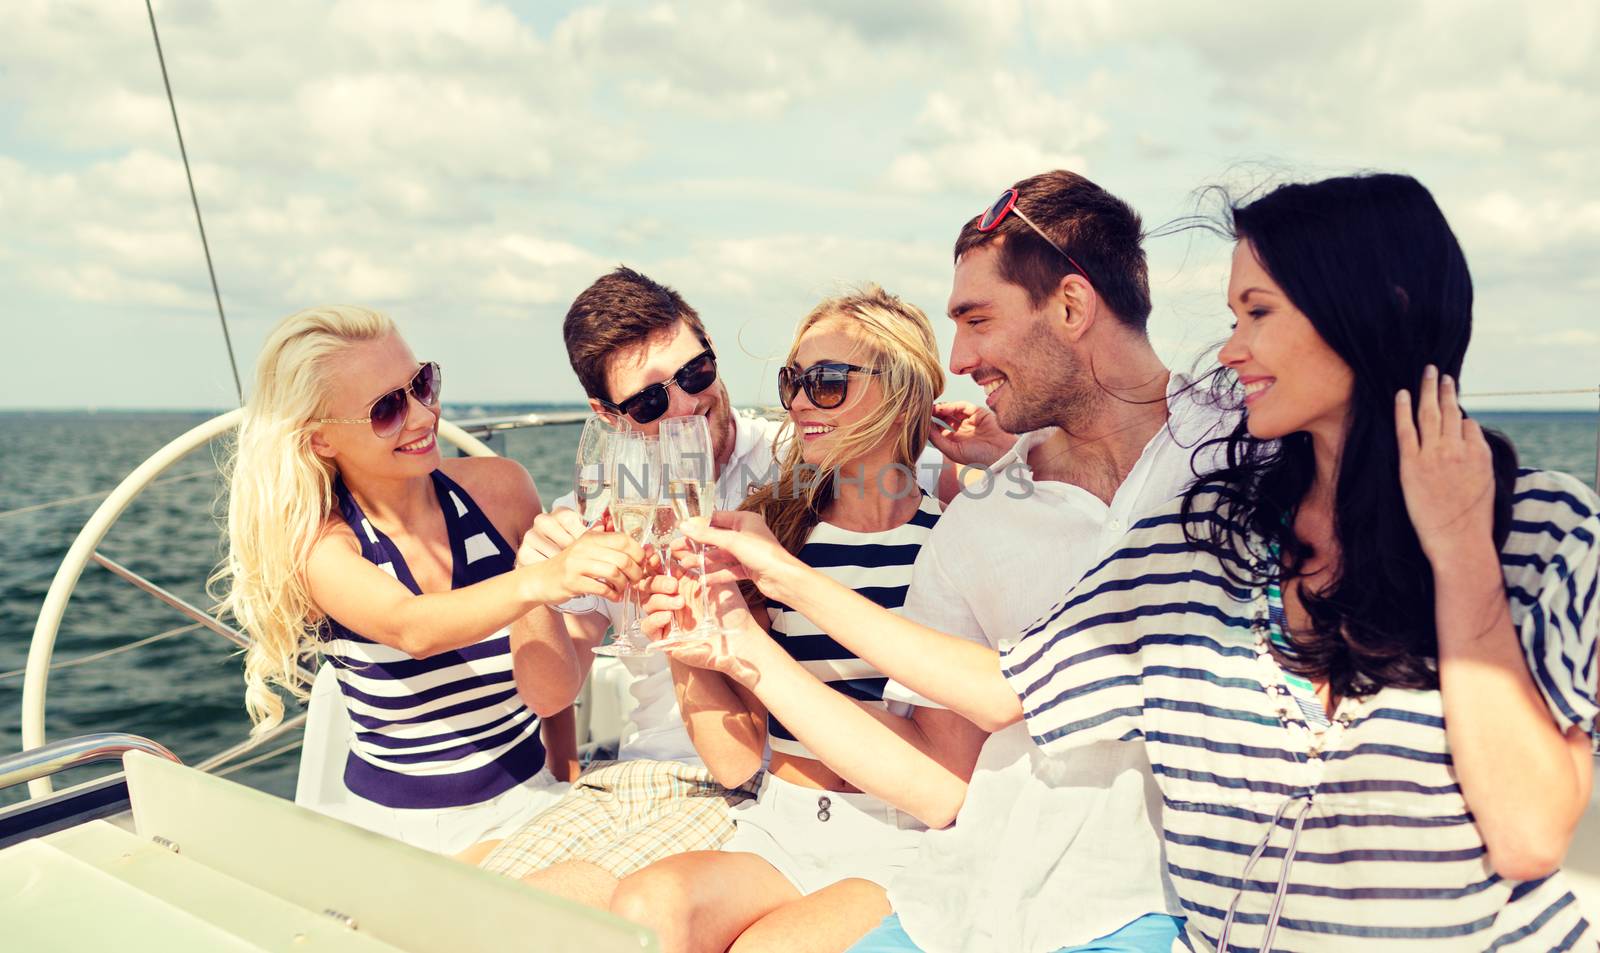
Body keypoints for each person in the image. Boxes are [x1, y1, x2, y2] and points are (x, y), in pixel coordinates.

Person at [1001, 174, 1600, 949]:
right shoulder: (1213, 533)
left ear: (1380, 308)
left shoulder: (1546, 531)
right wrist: (788, 579)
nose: (1231, 347)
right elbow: (1003, 688)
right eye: (1232, 316)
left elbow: (1527, 836)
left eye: (1259, 311)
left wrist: (1460, 554)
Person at [666, 171, 1216, 952]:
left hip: (1149, 899)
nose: (959, 359)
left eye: (977, 319)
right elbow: (937, 769)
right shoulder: (978, 524)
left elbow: (1007, 692)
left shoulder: (1231, 458)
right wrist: (732, 644)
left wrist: (784, 588)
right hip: (965, 899)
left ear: (1071, 305)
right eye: (796, 383)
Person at [477, 269, 951, 905]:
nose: (685, 406)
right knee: (482, 902)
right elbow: (550, 692)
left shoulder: (800, 460)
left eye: (695, 374)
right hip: (637, 771)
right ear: (606, 415)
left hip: (738, 784)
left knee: (557, 911)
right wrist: (531, 586)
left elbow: (905, 476)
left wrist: (976, 458)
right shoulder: (602, 507)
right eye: (649, 403)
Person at [213, 305, 645, 856]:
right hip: (402, 835)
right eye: (387, 408)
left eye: (421, 384)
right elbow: (412, 627)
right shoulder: (321, 545)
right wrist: (542, 577)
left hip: (533, 799)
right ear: (320, 439)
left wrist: (563, 768)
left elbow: (546, 673)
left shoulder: (502, 489)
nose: (422, 415)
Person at [611, 284, 967, 953]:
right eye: (792, 381)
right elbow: (737, 761)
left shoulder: (950, 541)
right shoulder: (771, 534)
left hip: (901, 840)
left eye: (827, 381)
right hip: (783, 822)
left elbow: (946, 770)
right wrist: (685, 645)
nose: (801, 400)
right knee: (641, 910)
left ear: (902, 389)